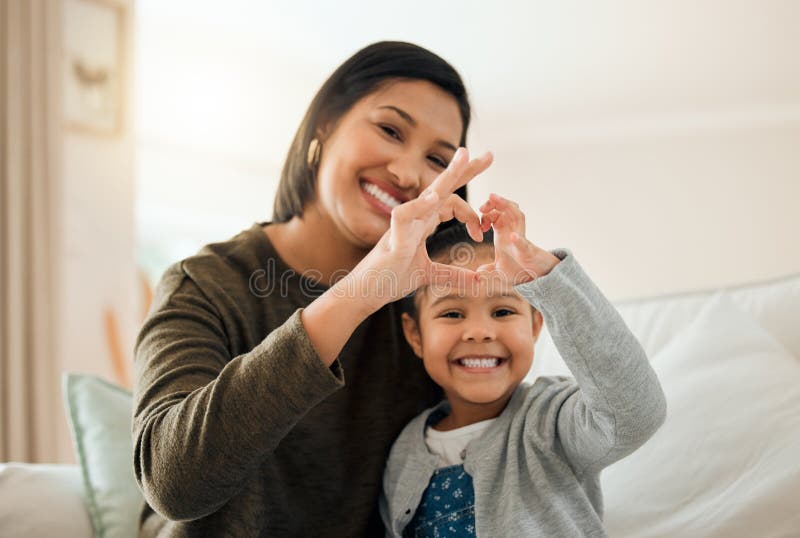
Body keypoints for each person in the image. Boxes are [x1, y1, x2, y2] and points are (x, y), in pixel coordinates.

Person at [132, 41, 494, 536]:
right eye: (390, 130)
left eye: (437, 159)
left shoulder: (426, 310)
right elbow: (173, 484)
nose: (408, 174)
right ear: (325, 122)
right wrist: (359, 294)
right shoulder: (206, 284)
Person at [380, 195, 667, 537]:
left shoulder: (552, 421)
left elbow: (636, 413)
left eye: (503, 311)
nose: (480, 332)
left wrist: (548, 279)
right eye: (452, 313)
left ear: (534, 326)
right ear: (415, 335)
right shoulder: (404, 450)